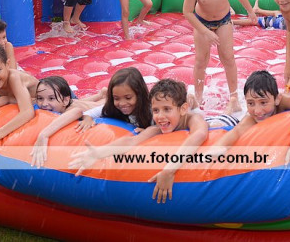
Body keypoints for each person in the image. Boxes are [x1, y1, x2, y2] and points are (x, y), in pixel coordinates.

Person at [69, 78, 209, 204]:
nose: (160, 116)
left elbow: (199, 135)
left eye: (167, 109)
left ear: (183, 109)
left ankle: (196, 101)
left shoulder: (193, 119)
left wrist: (169, 171)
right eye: (156, 110)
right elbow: (131, 142)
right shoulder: (157, 128)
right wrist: (98, 153)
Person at [183, 0, 257, 114]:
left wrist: (250, 11)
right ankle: (198, 97)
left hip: (224, 21)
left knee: (228, 58)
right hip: (202, 23)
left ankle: (234, 96)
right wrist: (205, 32)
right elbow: (187, 12)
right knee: (201, 60)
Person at [206, 71, 290, 175]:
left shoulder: (282, 101)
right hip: (232, 121)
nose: (257, 111)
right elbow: (236, 132)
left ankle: (232, 105)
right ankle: (231, 106)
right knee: (219, 123)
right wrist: (215, 149)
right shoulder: (251, 119)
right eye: (251, 103)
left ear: (277, 99)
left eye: (263, 102)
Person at [30, 70, 142, 168]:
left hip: (97, 107)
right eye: (40, 98)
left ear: (65, 100)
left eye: (51, 98)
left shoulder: (70, 109)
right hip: (83, 104)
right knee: (80, 102)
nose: (44, 104)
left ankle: (103, 97)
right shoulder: (65, 103)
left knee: (90, 104)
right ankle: (100, 95)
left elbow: (77, 111)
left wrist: (44, 134)